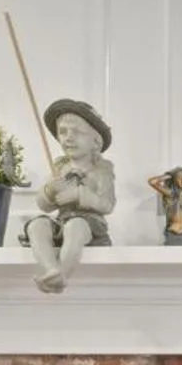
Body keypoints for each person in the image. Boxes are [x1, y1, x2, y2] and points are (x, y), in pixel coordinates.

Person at [21, 99, 115, 294]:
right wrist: (50, 191)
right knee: (37, 225)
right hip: (62, 222)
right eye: (63, 132)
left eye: (77, 132)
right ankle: (50, 269)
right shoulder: (59, 168)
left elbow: (107, 205)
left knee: (75, 225)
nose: (68, 138)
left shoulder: (101, 171)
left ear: (96, 141)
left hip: (89, 225)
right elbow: (44, 206)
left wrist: (79, 195)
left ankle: (63, 273)